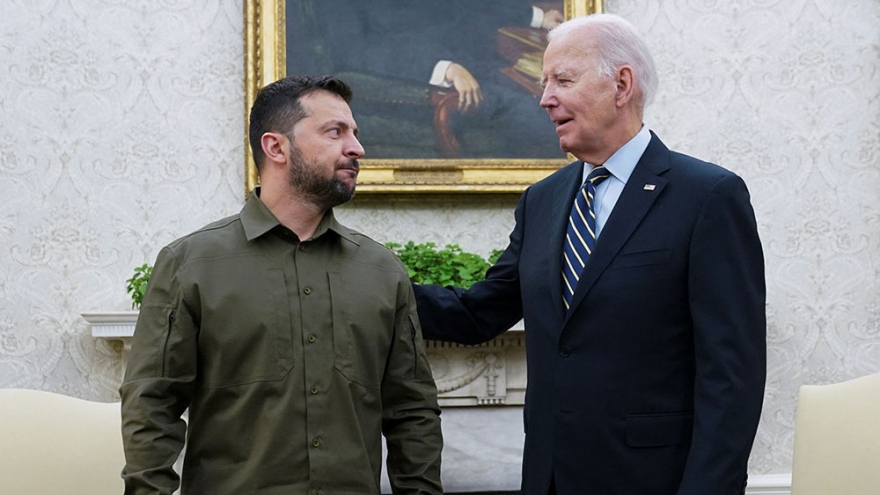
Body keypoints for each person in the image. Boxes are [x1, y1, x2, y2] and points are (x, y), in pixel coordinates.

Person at [413, 13, 766, 495]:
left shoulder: (707, 196)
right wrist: (370, 286)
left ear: (621, 85)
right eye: (544, 83)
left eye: (562, 80)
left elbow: (732, 376)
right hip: (551, 479)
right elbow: (479, 313)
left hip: (652, 482)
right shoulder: (542, 200)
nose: (544, 98)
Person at [119, 75, 443, 495]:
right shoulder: (190, 265)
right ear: (276, 147)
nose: (357, 148)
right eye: (335, 132)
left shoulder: (382, 270)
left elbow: (413, 412)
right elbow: (151, 405)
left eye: (355, 133)